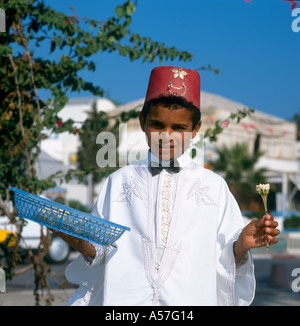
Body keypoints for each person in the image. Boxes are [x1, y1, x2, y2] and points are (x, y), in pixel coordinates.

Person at [54, 66, 280, 306]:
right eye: (158, 125)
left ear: (195, 129)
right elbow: (102, 251)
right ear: (142, 122)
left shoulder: (214, 188)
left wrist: (240, 246)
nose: (166, 136)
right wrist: (82, 243)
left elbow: (223, 259)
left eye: (179, 128)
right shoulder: (119, 182)